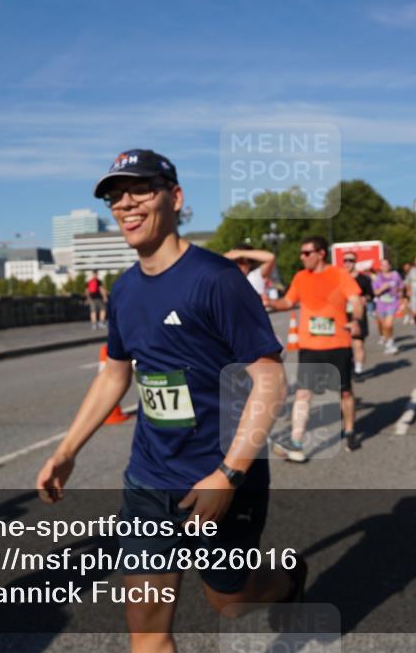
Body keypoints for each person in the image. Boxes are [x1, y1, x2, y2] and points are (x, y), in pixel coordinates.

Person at [35, 150, 303, 653]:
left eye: (141, 190)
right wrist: (67, 451)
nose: (125, 204)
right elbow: (115, 374)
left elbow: (270, 381)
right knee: (147, 632)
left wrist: (227, 476)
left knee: (230, 600)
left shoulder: (217, 279)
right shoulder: (124, 290)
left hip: (220, 474)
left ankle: (285, 582)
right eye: (116, 196)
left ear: (175, 198)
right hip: (149, 479)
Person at [266, 236, 364, 459]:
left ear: (321, 254)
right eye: (301, 253)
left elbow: (356, 302)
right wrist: (270, 302)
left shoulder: (340, 275)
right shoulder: (301, 277)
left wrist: (356, 320)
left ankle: (350, 431)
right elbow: (288, 302)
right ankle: (296, 442)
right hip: (310, 346)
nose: (302, 257)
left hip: (338, 344)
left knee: (345, 391)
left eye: (307, 253)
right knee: (303, 393)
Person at [342, 251, 374, 375]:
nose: (347, 263)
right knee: (344, 345)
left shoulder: (363, 279)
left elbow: (370, 294)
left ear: (355, 262)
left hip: (358, 314)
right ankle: (349, 365)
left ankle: (358, 370)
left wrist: (365, 298)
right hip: (342, 315)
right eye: (345, 260)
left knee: (358, 343)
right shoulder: (339, 278)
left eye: (350, 260)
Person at [372, 258, 404, 355]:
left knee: (389, 324)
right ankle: (389, 342)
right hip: (381, 304)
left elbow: (400, 288)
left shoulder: (395, 275)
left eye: (386, 265)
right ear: (380, 267)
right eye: (383, 265)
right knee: (384, 326)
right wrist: (383, 288)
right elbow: (375, 292)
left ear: (389, 266)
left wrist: (402, 301)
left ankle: (390, 342)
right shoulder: (377, 278)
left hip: (393, 303)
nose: (384, 267)